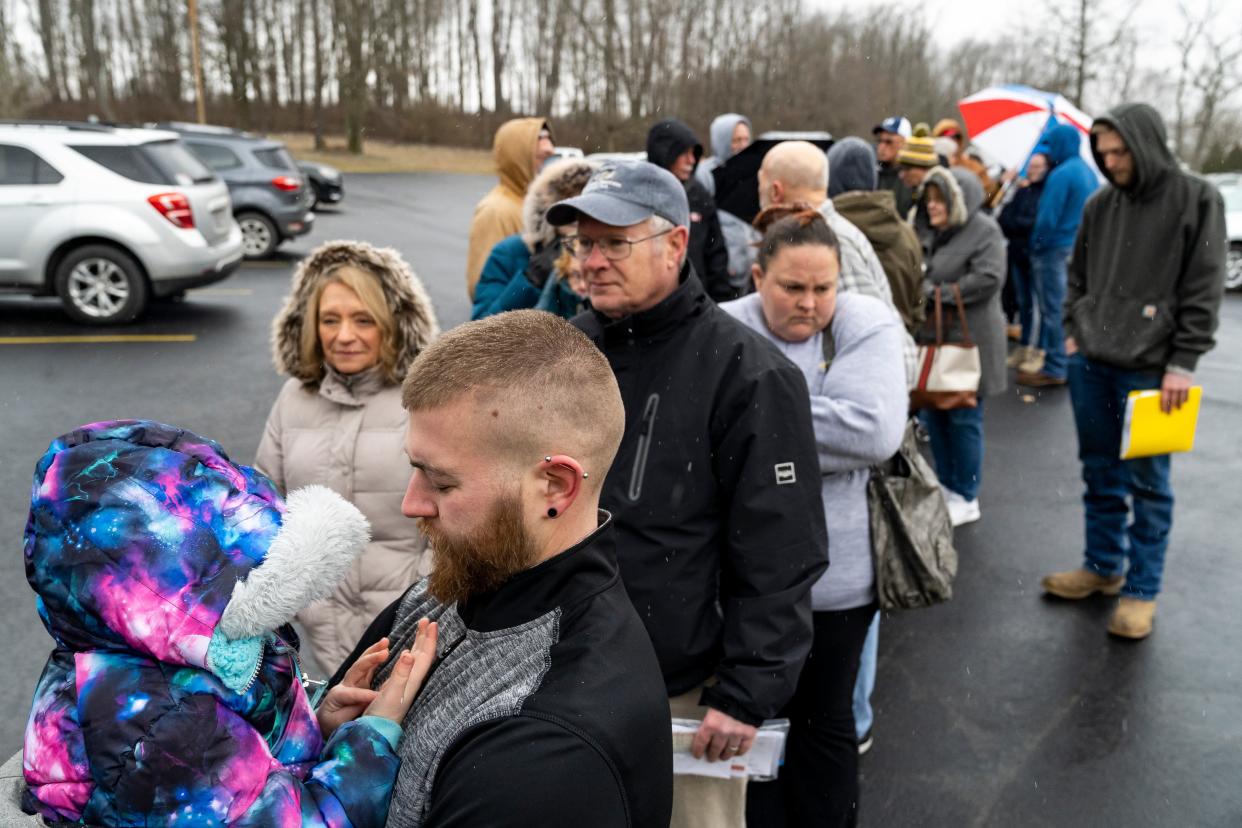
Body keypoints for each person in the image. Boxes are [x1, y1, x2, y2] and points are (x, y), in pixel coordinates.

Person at [547, 160, 828, 828]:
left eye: (616, 243)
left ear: (675, 245)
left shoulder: (750, 374)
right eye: (585, 243)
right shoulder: (567, 354)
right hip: (562, 675)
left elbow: (781, 550)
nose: (594, 261)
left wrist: (746, 690)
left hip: (685, 696)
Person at [330, 310, 675, 827]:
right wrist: (315, 731)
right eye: (414, 468)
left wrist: (346, 760)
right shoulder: (457, 585)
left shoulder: (546, 744)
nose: (412, 503)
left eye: (442, 483)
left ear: (555, 486)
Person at [21, 419, 435, 826]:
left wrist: (318, 721)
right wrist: (370, 740)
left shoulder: (189, 651)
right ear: (170, 587)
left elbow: (249, 761)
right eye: (257, 570)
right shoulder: (165, 724)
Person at [723, 206, 907, 828]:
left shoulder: (866, 322)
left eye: (823, 288)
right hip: (744, 577)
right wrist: (813, 424)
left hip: (841, 578)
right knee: (756, 725)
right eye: (792, 287)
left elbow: (873, 432)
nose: (809, 304)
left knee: (825, 720)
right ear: (756, 277)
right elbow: (698, 434)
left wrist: (751, 431)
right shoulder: (724, 327)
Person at [1042, 103, 1226, 640]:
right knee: (1099, 471)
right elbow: (1075, 275)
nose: (1111, 160)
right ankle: (1102, 568)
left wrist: (1183, 363)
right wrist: (1073, 329)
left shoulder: (1197, 198)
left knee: (1149, 484)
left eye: (1120, 150)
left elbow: (1204, 285)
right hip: (1092, 364)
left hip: (1154, 373)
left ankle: (1141, 590)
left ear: (1146, 143)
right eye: (1104, 151)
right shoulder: (1101, 203)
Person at [257, 241, 439, 676]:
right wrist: (295, 598)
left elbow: (454, 514)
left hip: (413, 624)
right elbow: (265, 505)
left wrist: (424, 592)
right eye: (329, 320)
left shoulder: (427, 398)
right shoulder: (293, 398)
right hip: (321, 628)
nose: (344, 335)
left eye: (363, 320)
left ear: (393, 324)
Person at [760, 140, 917, 383]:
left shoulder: (828, 241)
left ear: (775, 191)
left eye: (760, 183)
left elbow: (882, 348)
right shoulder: (820, 235)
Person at [915, 167, 1008, 527]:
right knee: (936, 413)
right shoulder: (932, 231)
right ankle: (947, 485)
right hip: (937, 338)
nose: (932, 206)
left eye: (940, 199)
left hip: (972, 341)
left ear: (958, 199)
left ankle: (966, 495)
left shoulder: (984, 231)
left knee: (964, 417)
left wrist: (938, 294)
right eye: (930, 199)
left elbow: (988, 278)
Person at [1016, 124, 1100, 387]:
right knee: (1070, 308)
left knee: (1053, 309)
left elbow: (1047, 218)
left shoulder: (1061, 174)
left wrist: (1036, 244)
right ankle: (1067, 361)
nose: (1048, 152)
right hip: (1078, 249)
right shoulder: (1087, 173)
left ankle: (1055, 366)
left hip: (1053, 249)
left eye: (1051, 145)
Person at [471, 157, 595, 320]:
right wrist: (530, 282)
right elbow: (480, 330)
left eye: (586, 205)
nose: (577, 215)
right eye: (568, 204)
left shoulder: (608, 258)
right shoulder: (511, 253)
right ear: (548, 208)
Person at [828, 136, 925, 334]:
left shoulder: (825, 234)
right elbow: (918, 306)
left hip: (844, 351)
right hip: (900, 347)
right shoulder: (906, 233)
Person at [645, 118, 734, 301]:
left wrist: (721, 301)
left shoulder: (700, 196)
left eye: (694, 153)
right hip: (649, 302)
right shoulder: (639, 194)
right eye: (684, 153)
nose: (691, 160)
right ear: (665, 153)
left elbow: (716, 253)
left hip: (695, 301)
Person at [465, 117, 554, 299]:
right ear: (519, 160)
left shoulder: (534, 204)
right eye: (542, 159)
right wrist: (532, 280)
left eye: (550, 159)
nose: (548, 168)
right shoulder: (496, 211)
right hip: (515, 325)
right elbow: (483, 289)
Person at [696, 113, 759, 291]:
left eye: (746, 139)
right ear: (721, 140)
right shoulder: (706, 175)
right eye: (736, 140)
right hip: (721, 274)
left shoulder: (753, 173)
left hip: (751, 271)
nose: (742, 145)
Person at [998, 152, 1048, 371]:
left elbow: (1034, 223)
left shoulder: (1046, 194)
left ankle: (1040, 350)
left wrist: (1017, 224)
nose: (1034, 170)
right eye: (1032, 165)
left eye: (1039, 166)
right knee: (1025, 304)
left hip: (1035, 256)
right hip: (1017, 255)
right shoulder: (1022, 191)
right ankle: (1025, 345)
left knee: (1043, 306)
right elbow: (1004, 219)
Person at [933, 118, 1000, 205]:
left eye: (956, 136)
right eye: (947, 136)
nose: (952, 140)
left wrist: (998, 185)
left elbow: (988, 195)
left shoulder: (972, 165)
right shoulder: (929, 163)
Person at [872, 116, 914, 218]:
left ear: (905, 143)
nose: (881, 147)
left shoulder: (911, 178)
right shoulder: (872, 174)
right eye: (880, 141)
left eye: (888, 142)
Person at [896, 130, 940, 219]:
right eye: (901, 168)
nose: (901, 175)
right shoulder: (914, 193)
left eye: (907, 168)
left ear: (925, 168)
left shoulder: (938, 202)